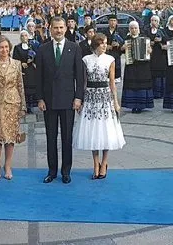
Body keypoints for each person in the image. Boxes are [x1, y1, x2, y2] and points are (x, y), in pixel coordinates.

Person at [35, 17, 85, 184]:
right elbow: (39, 78)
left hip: (68, 100)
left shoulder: (74, 48)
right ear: (50, 29)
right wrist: (40, 98)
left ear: (65, 29)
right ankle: (52, 171)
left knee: (66, 137)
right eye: (55, 28)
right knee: (50, 137)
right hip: (48, 101)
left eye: (61, 27)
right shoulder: (43, 50)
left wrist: (79, 98)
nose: (58, 30)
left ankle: (66, 171)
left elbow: (80, 75)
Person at [73, 33, 126, 179]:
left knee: (106, 130)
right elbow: (83, 83)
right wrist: (81, 100)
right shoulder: (86, 60)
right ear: (96, 44)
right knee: (93, 131)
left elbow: (112, 82)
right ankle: (95, 163)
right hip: (90, 98)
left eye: (105, 43)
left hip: (105, 97)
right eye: (102, 43)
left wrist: (115, 102)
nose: (104, 45)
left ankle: (104, 162)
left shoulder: (110, 59)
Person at [0, 36, 27, 180]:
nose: (4, 50)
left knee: (10, 138)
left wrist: (23, 107)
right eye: (1, 47)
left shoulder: (16, 64)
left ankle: (8, 166)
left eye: (6, 47)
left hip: (13, 104)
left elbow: (20, 86)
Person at [121, 21, 154, 114]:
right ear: (129, 29)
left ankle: (141, 105)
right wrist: (123, 48)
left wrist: (149, 50)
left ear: (138, 29)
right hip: (131, 65)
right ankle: (132, 105)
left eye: (135, 28)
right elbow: (122, 50)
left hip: (143, 66)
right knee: (132, 85)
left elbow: (150, 51)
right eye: (132, 28)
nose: (134, 30)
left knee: (141, 85)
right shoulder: (127, 39)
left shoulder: (145, 38)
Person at [12, 30, 39, 113]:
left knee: (31, 88)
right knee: (23, 88)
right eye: (22, 36)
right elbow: (14, 58)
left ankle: (31, 105)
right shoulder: (17, 47)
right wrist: (21, 63)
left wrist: (33, 61)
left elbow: (37, 56)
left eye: (25, 36)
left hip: (31, 70)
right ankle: (24, 105)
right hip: (22, 70)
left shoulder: (32, 46)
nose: (24, 37)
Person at [147, 15, 168, 99]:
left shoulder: (162, 31)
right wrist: (150, 42)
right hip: (151, 54)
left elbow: (167, 39)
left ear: (158, 23)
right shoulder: (147, 30)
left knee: (160, 74)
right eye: (152, 20)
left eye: (155, 21)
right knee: (152, 73)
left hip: (160, 54)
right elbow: (144, 38)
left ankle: (161, 92)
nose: (153, 22)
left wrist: (161, 40)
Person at [102, 15, 124, 82]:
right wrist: (106, 46)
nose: (113, 22)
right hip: (107, 54)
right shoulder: (104, 31)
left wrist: (119, 45)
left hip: (116, 55)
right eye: (111, 21)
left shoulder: (120, 31)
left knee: (116, 78)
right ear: (108, 22)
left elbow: (124, 43)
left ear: (117, 22)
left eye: (114, 21)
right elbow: (100, 42)